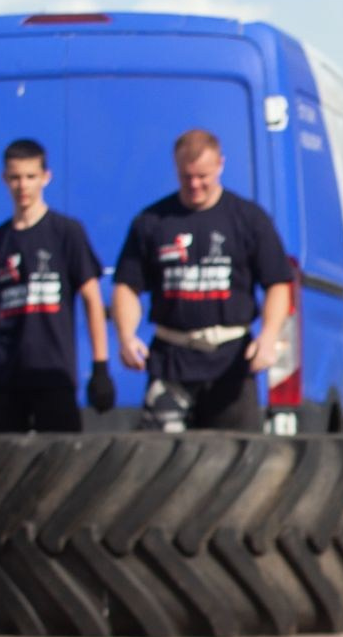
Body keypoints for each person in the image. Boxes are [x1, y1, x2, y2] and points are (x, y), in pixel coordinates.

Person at [113, 129, 294, 432]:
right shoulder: (152, 221)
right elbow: (127, 287)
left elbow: (277, 284)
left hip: (231, 361)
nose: (195, 184)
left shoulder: (249, 218)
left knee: (235, 456)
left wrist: (268, 336)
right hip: (171, 359)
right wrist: (126, 336)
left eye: (203, 176)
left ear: (220, 165)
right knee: (162, 454)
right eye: (187, 177)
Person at [0, 139, 113, 433]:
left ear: (45, 177)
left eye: (30, 176)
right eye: (15, 177)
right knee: (3, 459)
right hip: (7, 376)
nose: (22, 186)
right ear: (4, 179)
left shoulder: (66, 232)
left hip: (54, 373)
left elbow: (92, 299)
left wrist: (100, 367)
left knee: (62, 457)